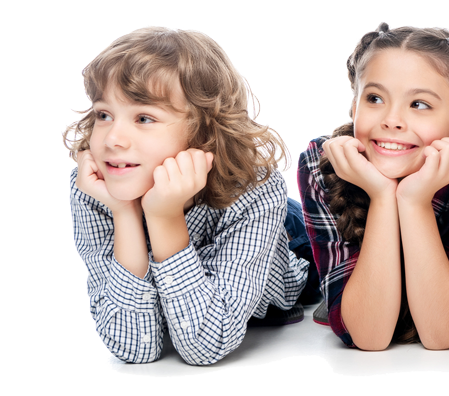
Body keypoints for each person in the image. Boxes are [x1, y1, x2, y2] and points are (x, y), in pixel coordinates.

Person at [65, 27, 310, 365]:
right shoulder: (96, 187)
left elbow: (207, 344)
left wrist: (165, 218)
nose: (112, 139)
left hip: (290, 239)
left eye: (144, 117)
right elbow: (133, 347)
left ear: (203, 131)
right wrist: (124, 213)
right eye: (104, 114)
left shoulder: (256, 189)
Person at [297, 23, 449, 351]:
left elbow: (439, 334)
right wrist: (382, 196)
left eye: (419, 105)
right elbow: (369, 337)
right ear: (355, 108)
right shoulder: (325, 163)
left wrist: (415, 201)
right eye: (374, 98)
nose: (392, 120)